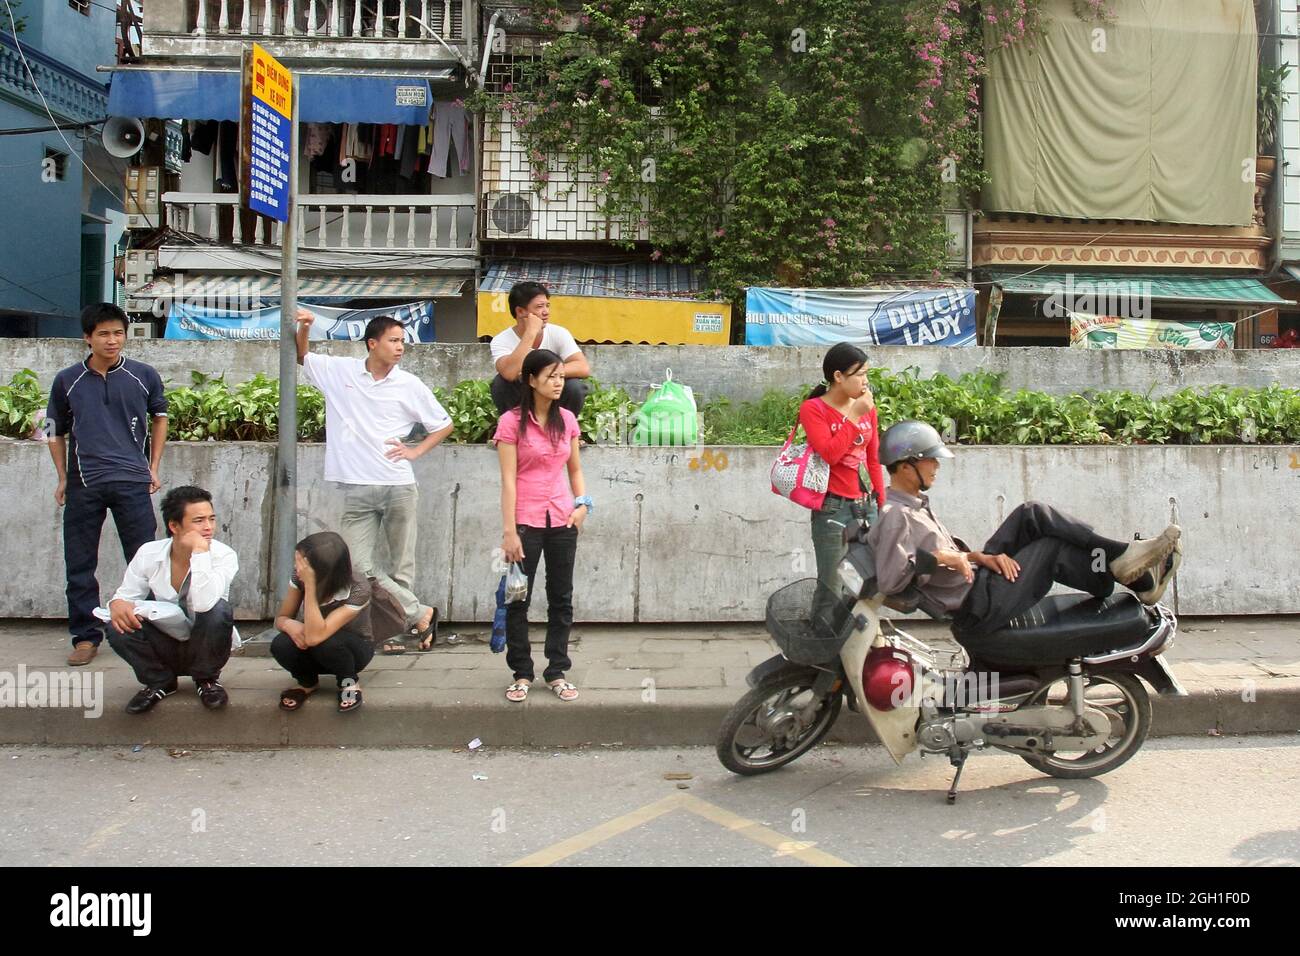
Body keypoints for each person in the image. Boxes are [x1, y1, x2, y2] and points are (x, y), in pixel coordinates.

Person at [867, 421, 1184, 649]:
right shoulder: (897, 517)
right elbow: (891, 580)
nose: (936, 466)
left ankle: (1120, 557)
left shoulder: (913, 505)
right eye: (929, 460)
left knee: (1032, 513)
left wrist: (973, 556)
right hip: (979, 605)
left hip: (979, 580)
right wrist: (944, 556)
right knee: (1051, 549)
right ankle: (1129, 572)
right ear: (906, 467)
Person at [296, 309, 453, 654]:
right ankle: (420, 613)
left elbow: (443, 425)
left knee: (400, 565)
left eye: (402, 341)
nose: (400, 347)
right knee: (357, 566)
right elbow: (302, 356)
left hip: (397, 485)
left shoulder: (409, 384)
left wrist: (414, 451)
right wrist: (305, 327)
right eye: (394, 341)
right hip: (356, 488)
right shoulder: (341, 372)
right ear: (372, 343)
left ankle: (393, 631)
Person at [47, 303, 169, 667]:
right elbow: (53, 430)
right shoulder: (67, 380)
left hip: (133, 482)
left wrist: (154, 467)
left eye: (118, 333)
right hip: (85, 484)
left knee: (145, 562)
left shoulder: (143, 375)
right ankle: (86, 637)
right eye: (103, 334)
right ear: (87, 338)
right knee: (80, 563)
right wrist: (62, 477)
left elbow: (160, 417)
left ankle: (147, 632)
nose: (112, 340)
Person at [495, 349, 592, 702]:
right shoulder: (510, 422)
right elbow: (508, 480)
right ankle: (521, 672)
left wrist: (583, 506)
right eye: (550, 376)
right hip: (525, 521)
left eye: (561, 376)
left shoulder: (566, 419)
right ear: (531, 379)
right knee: (517, 597)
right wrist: (509, 531)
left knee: (561, 597)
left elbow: (575, 470)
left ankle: (557, 670)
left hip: (563, 518)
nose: (558, 382)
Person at [105, 486, 239, 714]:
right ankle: (160, 681)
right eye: (198, 521)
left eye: (211, 519)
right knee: (115, 623)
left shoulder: (223, 555)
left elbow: (206, 603)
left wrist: (199, 553)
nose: (208, 527)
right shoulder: (149, 553)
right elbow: (126, 596)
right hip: (166, 638)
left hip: (206, 642)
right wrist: (116, 604)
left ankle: (206, 680)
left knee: (219, 610)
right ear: (174, 526)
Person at [798, 343, 887, 606]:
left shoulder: (868, 407)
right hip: (832, 508)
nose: (865, 381)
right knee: (832, 587)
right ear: (838, 376)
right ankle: (823, 646)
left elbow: (873, 460)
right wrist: (854, 416)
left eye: (867, 374)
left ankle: (857, 647)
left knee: (865, 586)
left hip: (865, 506)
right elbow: (830, 454)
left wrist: (881, 506)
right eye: (860, 374)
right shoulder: (813, 409)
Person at [271, 532, 374, 714]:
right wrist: (289, 625)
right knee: (281, 644)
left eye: (302, 564)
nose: (297, 568)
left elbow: (317, 636)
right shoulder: (298, 577)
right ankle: (307, 683)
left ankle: (348, 683)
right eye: (297, 561)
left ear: (323, 571)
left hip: (352, 650)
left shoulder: (358, 588)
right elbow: (281, 618)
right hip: (314, 642)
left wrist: (311, 587)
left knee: (328, 643)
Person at [489, 281, 591, 417]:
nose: (546, 312)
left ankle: (562, 430)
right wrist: (530, 332)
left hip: (552, 394)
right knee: (500, 384)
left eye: (547, 306)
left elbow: (582, 367)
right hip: (523, 393)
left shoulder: (559, 333)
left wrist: (545, 375)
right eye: (539, 307)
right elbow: (509, 373)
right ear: (520, 311)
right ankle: (517, 430)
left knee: (574, 387)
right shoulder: (501, 339)